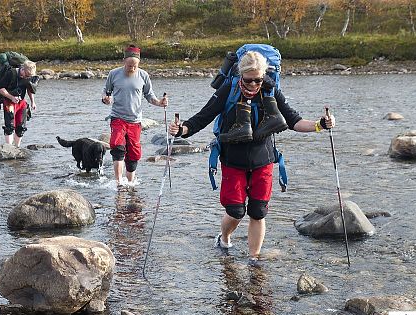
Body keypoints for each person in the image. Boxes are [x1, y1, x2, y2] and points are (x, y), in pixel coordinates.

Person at [169, 51, 335, 266]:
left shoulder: (271, 90)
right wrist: (181, 130)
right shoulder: (228, 89)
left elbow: (293, 120)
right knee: (236, 211)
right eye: (249, 80)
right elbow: (203, 117)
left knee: (258, 212)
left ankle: (254, 259)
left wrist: (320, 125)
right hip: (232, 161)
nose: (254, 84)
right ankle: (225, 238)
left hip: (263, 161)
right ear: (241, 75)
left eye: (258, 79)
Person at [102, 44, 168, 184]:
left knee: (134, 154)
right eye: (129, 65)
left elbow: (150, 96)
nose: (132, 68)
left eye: (135, 66)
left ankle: (130, 184)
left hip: (135, 120)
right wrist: (106, 99)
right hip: (118, 117)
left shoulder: (143, 75)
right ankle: (119, 183)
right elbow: (106, 93)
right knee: (117, 147)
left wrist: (160, 102)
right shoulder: (113, 74)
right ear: (124, 61)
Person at [0, 60, 38, 148]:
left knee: (21, 128)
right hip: (9, 103)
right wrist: (11, 97)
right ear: (22, 69)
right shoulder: (11, 73)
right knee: (9, 127)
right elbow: (0, 88)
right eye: (26, 75)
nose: (26, 77)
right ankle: (9, 148)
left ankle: (17, 148)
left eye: (29, 76)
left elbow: (30, 89)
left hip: (21, 103)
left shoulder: (28, 76)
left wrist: (33, 102)